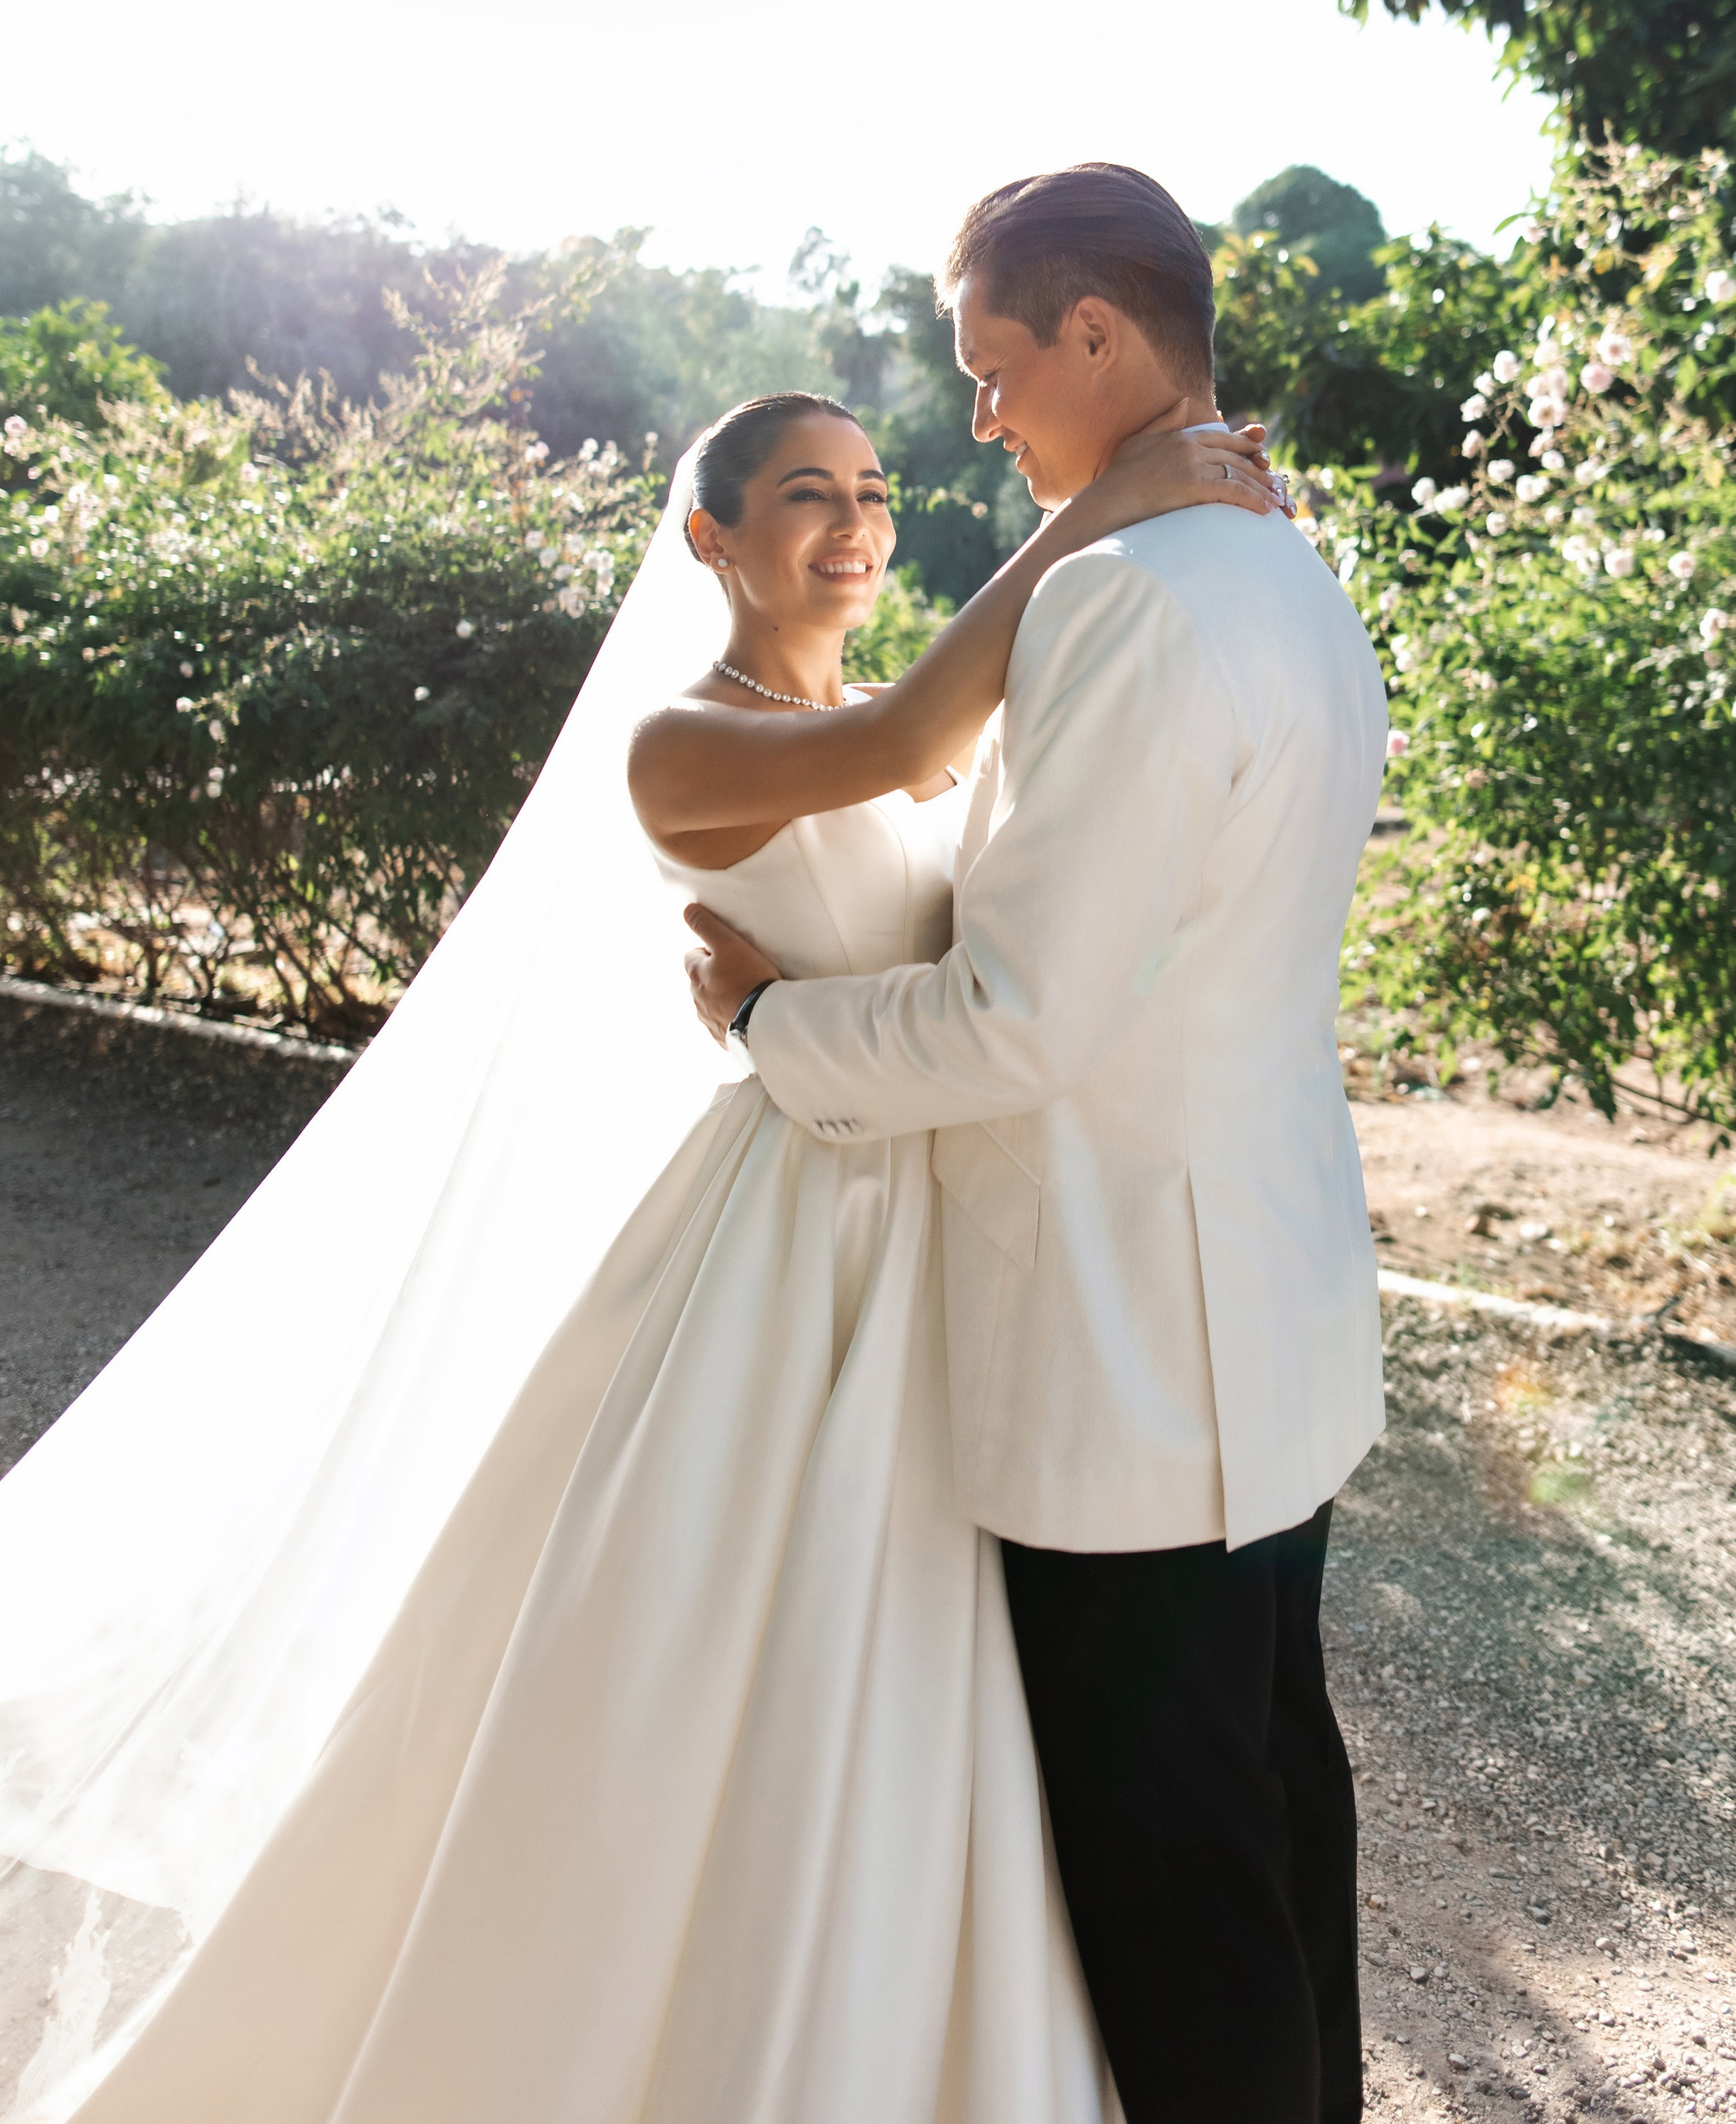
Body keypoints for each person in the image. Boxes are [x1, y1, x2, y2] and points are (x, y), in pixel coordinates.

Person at [0, 368, 1276, 2121]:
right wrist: (1099, 510)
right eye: (807, 497)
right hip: (790, 1235)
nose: (854, 525)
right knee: (725, 1649)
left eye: (872, 491)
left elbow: (966, 822)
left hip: (928, 1206)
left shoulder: (897, 710)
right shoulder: (684, 739)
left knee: (923, 1666)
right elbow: (900, 751)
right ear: (712, 537)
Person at [685, 163, 1391, 2124]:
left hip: (1130, 1350)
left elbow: (1021, 1020)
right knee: (1271, 1822)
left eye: (994, 370)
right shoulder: (1289, 568)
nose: (978, 418)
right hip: (1266, 1315)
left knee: (1175, 1891)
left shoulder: (1129, 601)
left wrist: (766, 1021)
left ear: (1097, 334)